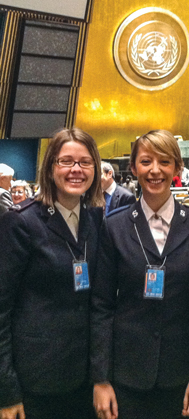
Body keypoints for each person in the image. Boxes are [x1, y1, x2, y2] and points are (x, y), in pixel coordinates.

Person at [91, 129, 189, 419]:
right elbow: (101, 305)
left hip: (181, 374)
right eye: (146, 161)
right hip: (126, 373)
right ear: (133, 168)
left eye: (164, 161)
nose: (155, 170)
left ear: (177, 167)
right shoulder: (115, 226)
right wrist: (101, 378)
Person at [0, 128, 104, 419]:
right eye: (66, 161)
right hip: (37, 380)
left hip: (86, 378)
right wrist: (6, 390)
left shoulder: (96, 219)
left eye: (85, 162)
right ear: (50, 167)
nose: (76, 170)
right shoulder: (20, 223)